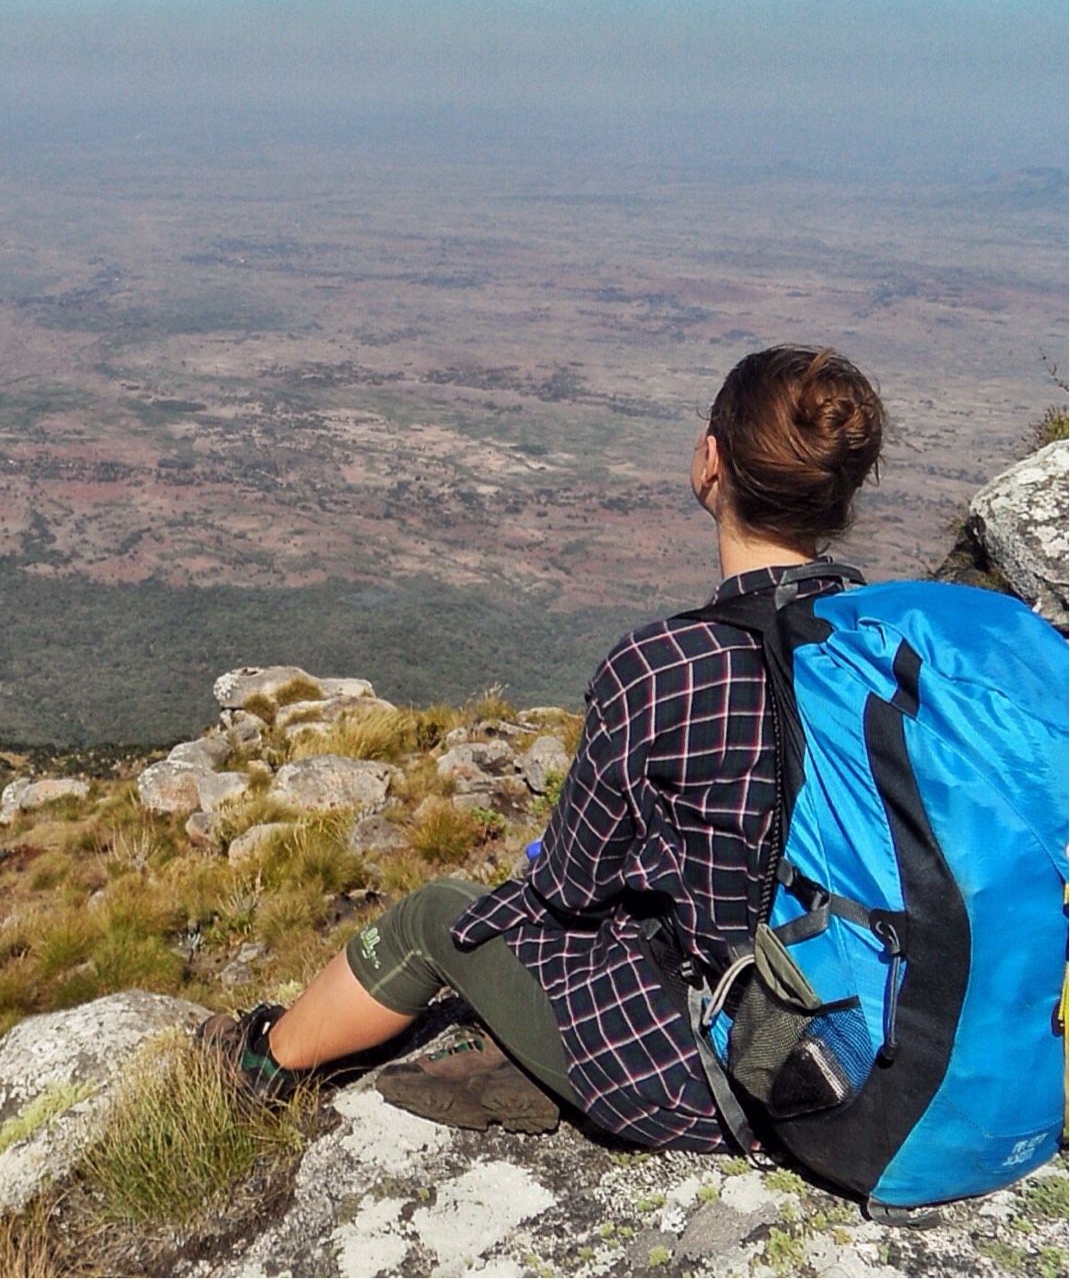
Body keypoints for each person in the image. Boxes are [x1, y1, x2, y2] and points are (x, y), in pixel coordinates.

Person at [201, 345, 888, 1147]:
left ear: (712, 463)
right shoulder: (886, 653)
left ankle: (260, 1066)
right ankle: (495, 1057)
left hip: (717, 1067)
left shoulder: (663, 668)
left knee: (436, 915)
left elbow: (568, 884)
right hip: (856, 1035)